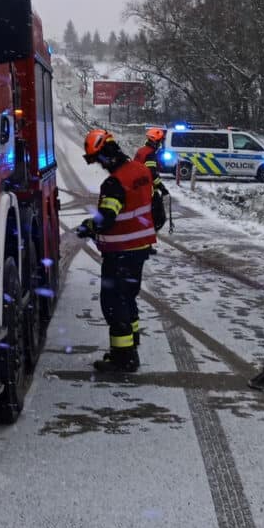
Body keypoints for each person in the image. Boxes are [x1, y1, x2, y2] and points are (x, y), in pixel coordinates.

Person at [76, 129, 158, 373]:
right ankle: (131, 345)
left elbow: (106, 218)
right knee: (128, 297)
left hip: (120, 251)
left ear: (105, 155)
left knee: (113, 303)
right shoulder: (140, 171)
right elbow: (150, 203)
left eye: (98, 160)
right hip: (140, 248)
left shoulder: (114, 183)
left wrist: (89, 226)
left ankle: (123, 358)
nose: (100, 165)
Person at [134, 127, 169, 200]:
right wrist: (162, 188)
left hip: (138, 185)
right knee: (156, 205)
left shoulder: (141, 150)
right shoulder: (150, 154)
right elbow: (152, 173)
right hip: (146, 188)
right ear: (155, 141)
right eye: (160, 141)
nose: (160, 144)